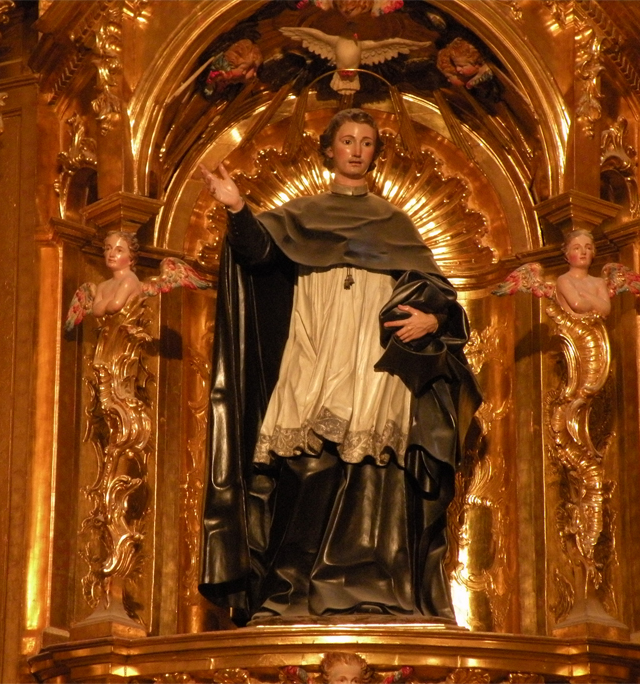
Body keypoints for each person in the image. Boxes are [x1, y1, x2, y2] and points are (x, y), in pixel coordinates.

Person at [199, 108, 480, 625]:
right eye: (346, 140)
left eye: (366, 142)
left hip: (375, 362)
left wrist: (430, 319)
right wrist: (237, 206)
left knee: (377, 472)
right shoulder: (300, 215)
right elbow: (258, 256)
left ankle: (376, 591)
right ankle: (291, 592)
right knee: (309, 467)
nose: (356, 149)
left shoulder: (396, 224)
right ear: (328, 150)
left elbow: (439, 292)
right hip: (316, 349)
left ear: (375, 152)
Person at [555, 229, 611, 318]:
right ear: (567, 255)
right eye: (577, 248)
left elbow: (606, 309)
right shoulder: (564, 280)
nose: (583, 252)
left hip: (597, 329)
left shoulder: (599, 282)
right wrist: (597, 303)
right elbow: (578, 305)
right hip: (573, 329)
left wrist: (583, 294)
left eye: (588, 248)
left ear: (593, 253)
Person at [92, 231, 141, 317]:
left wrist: (104, 303)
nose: (111, 254)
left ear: (131, 259)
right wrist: (110, 300)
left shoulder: (129, 280)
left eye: (119, 250)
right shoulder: (102, 286)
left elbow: (115, 306)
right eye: (108, 248)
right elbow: (96, 311)